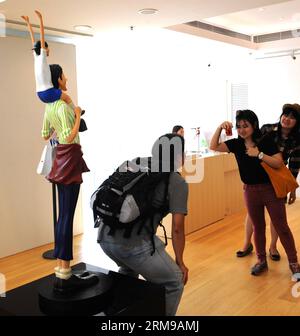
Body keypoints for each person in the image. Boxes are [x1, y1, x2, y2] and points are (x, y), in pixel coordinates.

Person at [97, 133, 189, 316]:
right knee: (174, 282)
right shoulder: (177, 181)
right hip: (133, 246)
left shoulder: (135, 162)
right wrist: (180, 262)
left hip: (104, 236)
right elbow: (177, 228)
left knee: (127, 270)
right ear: (179, 157)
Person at [210, 109, 300, 280]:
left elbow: (278, 162)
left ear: (254, 126)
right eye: (239, 126)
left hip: (270, 189)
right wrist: (220, 128)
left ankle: (294, 263)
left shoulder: (265, 141)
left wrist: (258, 154)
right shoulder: (236, 144)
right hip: (250, 191)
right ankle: (261, 261)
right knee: (258, 227)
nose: (242, 129)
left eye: (245, 126)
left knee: (281, 226)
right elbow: (213, 146)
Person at [41, 64, 97, 292]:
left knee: (63, 214)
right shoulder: (64, 108)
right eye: (63, 75)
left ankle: (61, 267)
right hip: (70, 159)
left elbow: (45, 134)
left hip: (60, 161)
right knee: (67, 215)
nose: (66, 78)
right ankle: (65, 271)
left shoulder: (49, 108)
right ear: (58, 79)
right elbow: (69, 136)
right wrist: (75, 116)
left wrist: (58, 125)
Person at [236, 104, 300, 260]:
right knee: (253, 214)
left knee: (277, 217)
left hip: (277, 177)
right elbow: (249, 148)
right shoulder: (267, 129)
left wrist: (291, 189)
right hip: (257, 175)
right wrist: (248, 177)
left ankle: (273, 247)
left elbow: (294, 165)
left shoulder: (297, 140)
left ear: (297, 122)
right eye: (285, 115)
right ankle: (247, 243)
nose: (287, 119)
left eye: (292, 117)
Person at [21, 11, 76, 108]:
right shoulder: (42, 57)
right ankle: (76, 112)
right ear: (44, 49)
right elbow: (41, 37)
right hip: (48, 92)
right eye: (47, 47)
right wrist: (41, 19)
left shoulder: (36, 57)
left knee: (60, 100)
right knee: (67, 98)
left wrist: (28, 23)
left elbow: (33, 40)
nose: (48, 49)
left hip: (39, 94)